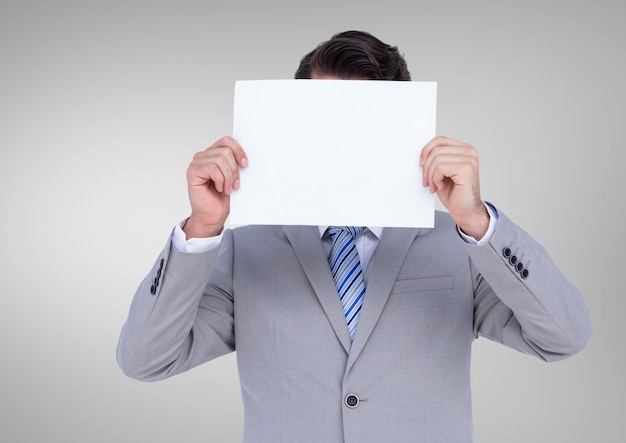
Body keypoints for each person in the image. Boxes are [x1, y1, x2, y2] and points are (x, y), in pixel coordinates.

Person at [117, 30, 592, 442]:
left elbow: (564, 337)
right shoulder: (246, 248)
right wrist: (200, 229)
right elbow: (144, 360)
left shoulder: (462, 244)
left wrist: (480, 223)